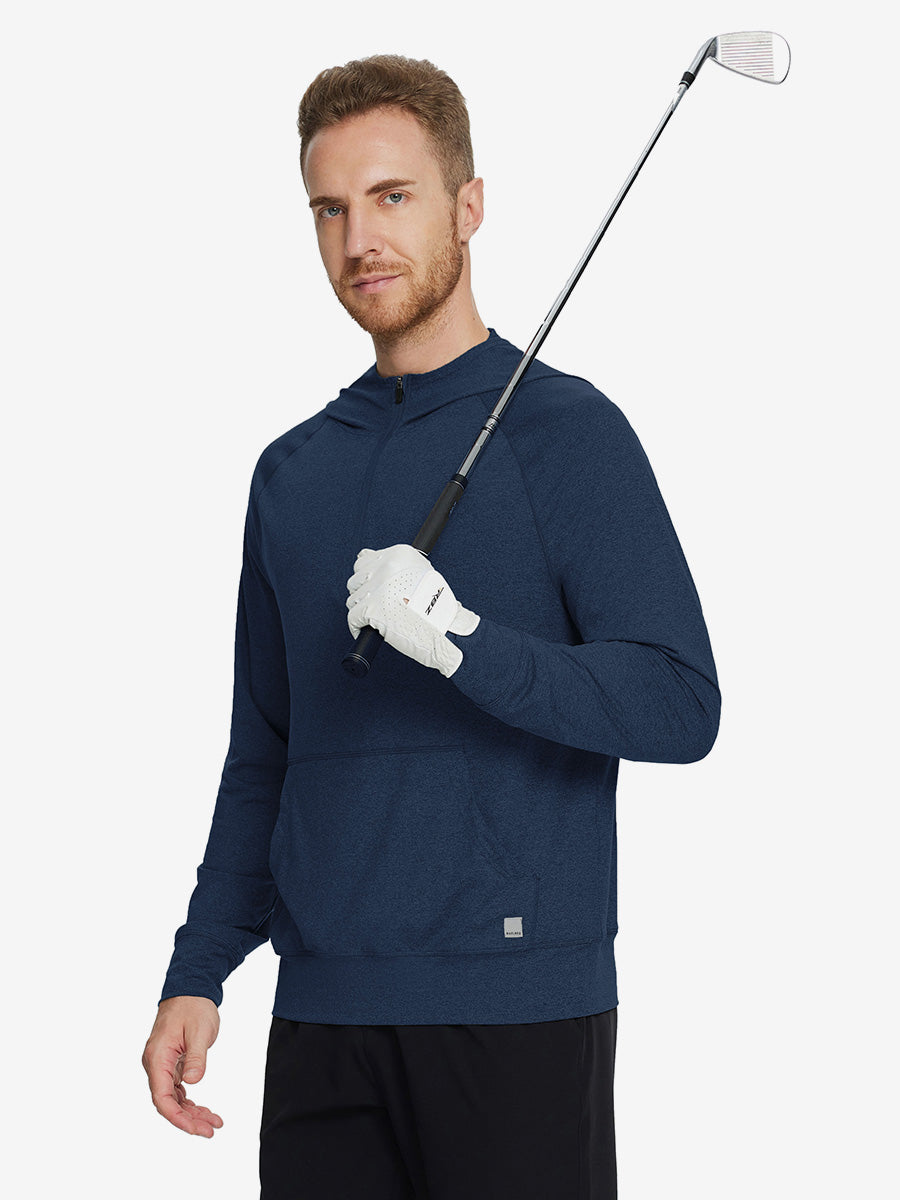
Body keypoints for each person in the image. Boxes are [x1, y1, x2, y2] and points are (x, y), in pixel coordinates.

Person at [142, 54, 720, 1199]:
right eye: (330, 208)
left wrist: (463, 641)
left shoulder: (570, 435)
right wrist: (198, 970)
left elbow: (678, 702)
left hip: (516, 1019)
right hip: (322, 1019)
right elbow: (266, 755)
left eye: (393, 196)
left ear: (469, 205)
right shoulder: (290, 474)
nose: (360, 239)